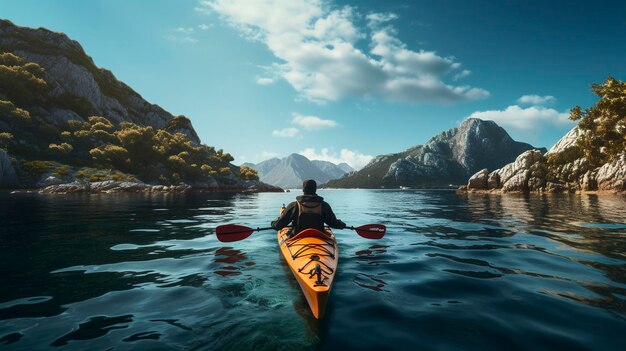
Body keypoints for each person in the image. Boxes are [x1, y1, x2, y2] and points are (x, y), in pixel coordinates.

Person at [271, 179, 346, 236]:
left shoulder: (293, 205)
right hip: (319, 236)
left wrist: (273, 224)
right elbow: (334, 223)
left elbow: (279, 226)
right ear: (315, 189)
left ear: (303, 189)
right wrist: (342, 224)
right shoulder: (324, 205)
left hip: (297, 236)